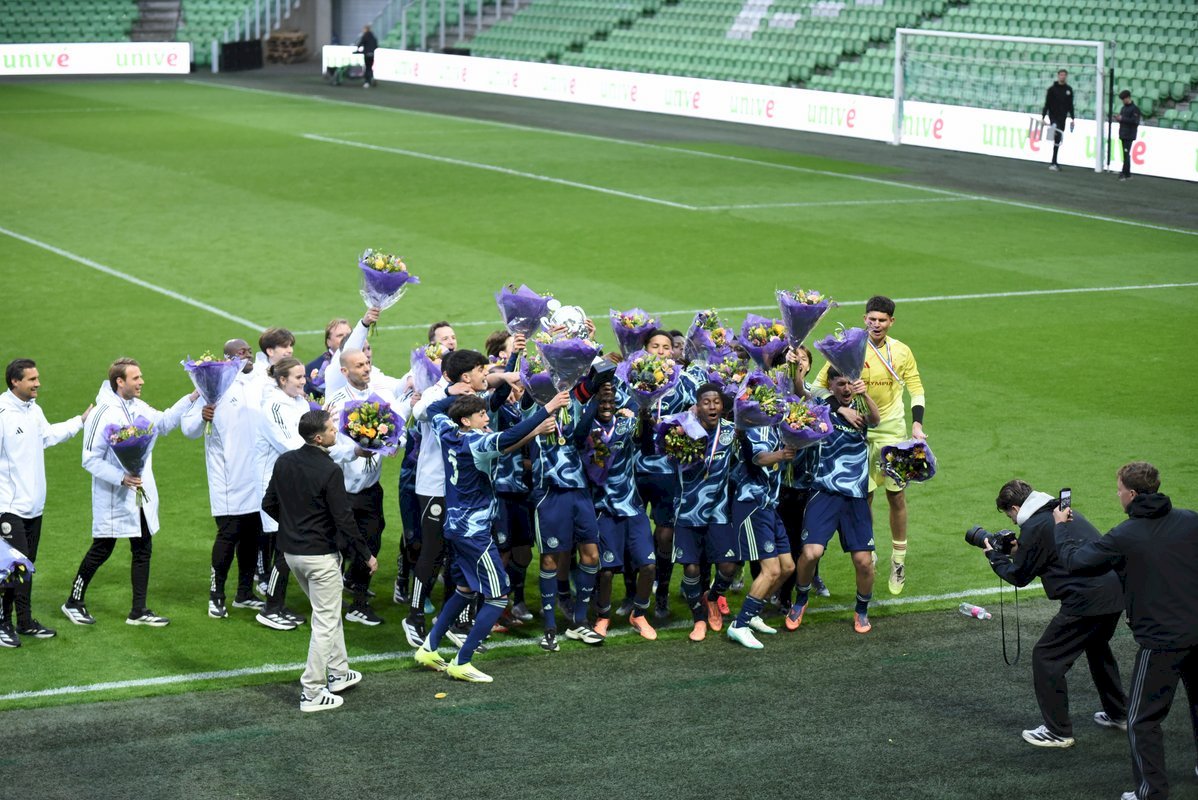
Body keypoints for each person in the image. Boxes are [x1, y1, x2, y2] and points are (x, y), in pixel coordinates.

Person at [1053, 462, 1198, 800]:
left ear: (1131, 494)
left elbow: (1075, 562)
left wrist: (1061, 528)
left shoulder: (1125, 535)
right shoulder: (1191, 520)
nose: (1116, 495)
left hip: (1162, 641)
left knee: (1142, 720)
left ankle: (1151, 793)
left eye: (1118, 490)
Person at [412, 391, 564, 682]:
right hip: (475, 533)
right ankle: (462, 661)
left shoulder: (447, 431)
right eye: (480, 414)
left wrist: (459, 394)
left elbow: (433, 409)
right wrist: (548, 408)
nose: (486, 417)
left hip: (454, 526)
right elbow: (508, 438)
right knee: (497, 597)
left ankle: (429, 648)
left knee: (465, 589)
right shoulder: (476, 442)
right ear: (466, 421)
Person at [988, 479, 1127, 748]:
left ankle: (1057, 731)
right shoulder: (1062, 512)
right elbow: (1053, 551)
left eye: (1010, 516)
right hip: (1114, 593)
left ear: (1015, 508)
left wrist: (995, 558)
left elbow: (1020, 576)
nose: (1013, 522)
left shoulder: (1035, 526)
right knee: (1097, 648)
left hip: (1086, 601)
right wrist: (1019, 549)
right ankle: (1120, 713)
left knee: (1047, 657)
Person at [62, 358, 199, 627]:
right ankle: (73, 601)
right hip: (114, 495)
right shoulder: (102, 413)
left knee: (143, 548)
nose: (142, 382)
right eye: (136, 378)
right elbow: (89, 459)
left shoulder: (138, 406)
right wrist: (121, 478)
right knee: (102, 548)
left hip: (139, 495)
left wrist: (192, 397)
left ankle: (138, 610)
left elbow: (164, 423)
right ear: (119, 381)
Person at [261, 409, 376, 712]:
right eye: (331, 429)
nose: (335, 431)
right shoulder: (330, 470)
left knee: (329, 612)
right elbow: (344, 518)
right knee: (324, 622)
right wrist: (365, 554)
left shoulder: (284, 461)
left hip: (292, 555)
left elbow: (268, 503)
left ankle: (338, 672)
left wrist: (293, 528)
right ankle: (312, 691)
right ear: (318, 437)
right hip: (320, 557)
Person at [815, 295, 925, 596]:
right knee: (864, 496)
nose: (876, 324)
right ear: (864, 319)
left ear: (891, 322)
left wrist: (917, 424)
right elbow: (817, 387)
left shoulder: (901, 351)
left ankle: (898, 560)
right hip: (859, 431)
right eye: (872, 319)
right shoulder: (848, 349)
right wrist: (841, 408)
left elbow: (916, 389)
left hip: (893, 431)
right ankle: (870, 549)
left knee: (897, 495)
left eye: (882, 320)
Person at [0, 359, 90, 646]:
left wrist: (80, 421)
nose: (38, 383)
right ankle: (3, 623)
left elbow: (48, 436)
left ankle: (25, 622)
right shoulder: (2, 414)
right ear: (15, 381)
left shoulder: (33, 409)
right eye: (32, 379)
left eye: (37, 378)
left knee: (26, 567)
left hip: (34, 506)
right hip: (9, 508)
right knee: (14, 569)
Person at [790, 368, 880, 635]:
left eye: (850, 383)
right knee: (810, 553)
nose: (846, 388)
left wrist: (866, 394)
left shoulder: (861, 407)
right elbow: (800, 391)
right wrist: (796, 369)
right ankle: (801, 599)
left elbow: (876, 420)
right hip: (825, 491)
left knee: (864, 561)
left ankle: (861, 609)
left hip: (855, 496)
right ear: (830, 385)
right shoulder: (822, 406)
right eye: (841, 384)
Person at [182, 340, 266, 621]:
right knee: (228, 538)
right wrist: (202, 415)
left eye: (249, 351)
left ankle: (244, 593)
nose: (248, 355)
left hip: (256, 476)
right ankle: (216, 595)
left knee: (253, 536)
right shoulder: (213, 385)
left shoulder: (259, 382)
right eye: (242, 352)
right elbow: (188, 428)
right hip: (228, 479)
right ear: (228, 358)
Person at [325, 347, 403, 626]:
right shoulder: (335, 404)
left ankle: (359, 603)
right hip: (341, 491)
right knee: (338, 547)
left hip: (370, 488)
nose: (366, 368)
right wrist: (355, 452)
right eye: (359, 365)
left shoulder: (381, 398)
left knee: (371, 543)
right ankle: (329, 603)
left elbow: (399, 432)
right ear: (344, 371)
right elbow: (327, 448)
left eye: (367, 363)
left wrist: (393, 444)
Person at [586, 383, 657, 641]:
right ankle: (603, 616)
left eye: (611, 402)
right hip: (604, 508)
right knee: (606, 571)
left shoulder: (627, 422)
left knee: (648, 566)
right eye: (602, 402)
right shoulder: (587, 428)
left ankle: (639, 614)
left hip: (633, 506)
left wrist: (645, 420)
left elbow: (647, 447)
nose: (607, 406)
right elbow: (595, 465)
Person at [669, 383, 739, 643]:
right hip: (687, 510)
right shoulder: (682, 430)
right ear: (697, 407)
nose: (712, 407)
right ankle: (698, 619)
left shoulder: (731, 431)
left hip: (718, 511)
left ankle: (712, 597)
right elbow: (666, 454)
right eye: (706, 402)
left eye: (716, 402)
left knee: (729, 566)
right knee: (691, 569)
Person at [253, 356, 313, 631]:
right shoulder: (274, 406)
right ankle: (270, 608)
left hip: (295, 481)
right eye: (298, 377)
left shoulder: (300, 403)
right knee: (284, 548)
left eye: (304, 376)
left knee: (288, 548)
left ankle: (276, 604)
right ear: (282, 380)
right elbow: (289, 444)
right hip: (276, 485)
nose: (303, 381)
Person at [305, 317, 351, 400]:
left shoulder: (363, 361)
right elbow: (309, 398)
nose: (346, 339)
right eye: (340, 335)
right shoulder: (314, 368)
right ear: (328, 342)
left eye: (349, 335)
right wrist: (314, 384)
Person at [1042, 69, 1075, 171]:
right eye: (1061, 75)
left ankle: (1054, 161)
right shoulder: (1052, 89)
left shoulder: (1069, 90)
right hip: (1053, 116)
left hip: (1062, 117)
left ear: (1066, 76)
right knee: (1056, 130)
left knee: (1058, 138)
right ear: (1058, 76)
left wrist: (1073, 118)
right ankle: (1053, 161)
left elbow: (1070, 105)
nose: (1062, 77)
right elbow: (1047, 104)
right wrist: (1043, 117)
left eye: (1064, 75)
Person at [1115, 90, 1142, 182]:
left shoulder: (1135, 109)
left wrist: (1122, 118)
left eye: (1123, 99)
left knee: (1126, 154)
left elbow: (1135, 121)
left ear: (1128, 98)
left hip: (1129, 134)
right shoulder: (1123, 108)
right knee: (1126, 154)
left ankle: (1123, 173)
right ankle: (1128, 174)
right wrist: (1119, 119)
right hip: (1123, 133)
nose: (1123, 101)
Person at [355, 24, 378, 88]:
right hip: (372, 54)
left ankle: (367, 82)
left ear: (366, 29)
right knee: (370, 67)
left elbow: (361, 43)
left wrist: (357, 49)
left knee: (367, 68)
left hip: (367, 54)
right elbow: (376, 46)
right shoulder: (373, 37)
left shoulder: (365, 36)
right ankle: (372, 78)